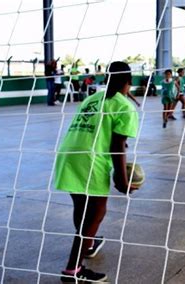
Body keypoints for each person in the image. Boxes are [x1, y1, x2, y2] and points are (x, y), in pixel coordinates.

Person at [54, 61, 139, 283]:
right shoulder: (125, 106)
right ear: (129, 81)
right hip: (90, 160)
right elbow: (117, 146)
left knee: (82, 207)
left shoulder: (93, 98)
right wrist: (121, 178)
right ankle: (73, 271)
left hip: (69, 153)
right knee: (97, 212)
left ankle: (89, 244)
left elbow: (96, 128)